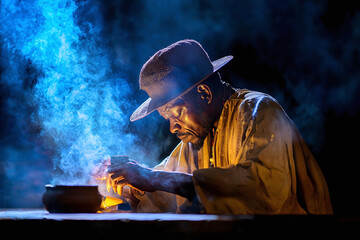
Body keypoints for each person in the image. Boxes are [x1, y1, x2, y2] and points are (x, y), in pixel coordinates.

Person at [106, 39, 333, 214]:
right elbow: (166, 183)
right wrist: (125, 181)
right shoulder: (196, 137)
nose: (173, 128)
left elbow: (258, 190)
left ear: (203, 93)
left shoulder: (259, 111)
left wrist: (151, 179)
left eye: (175, 114)